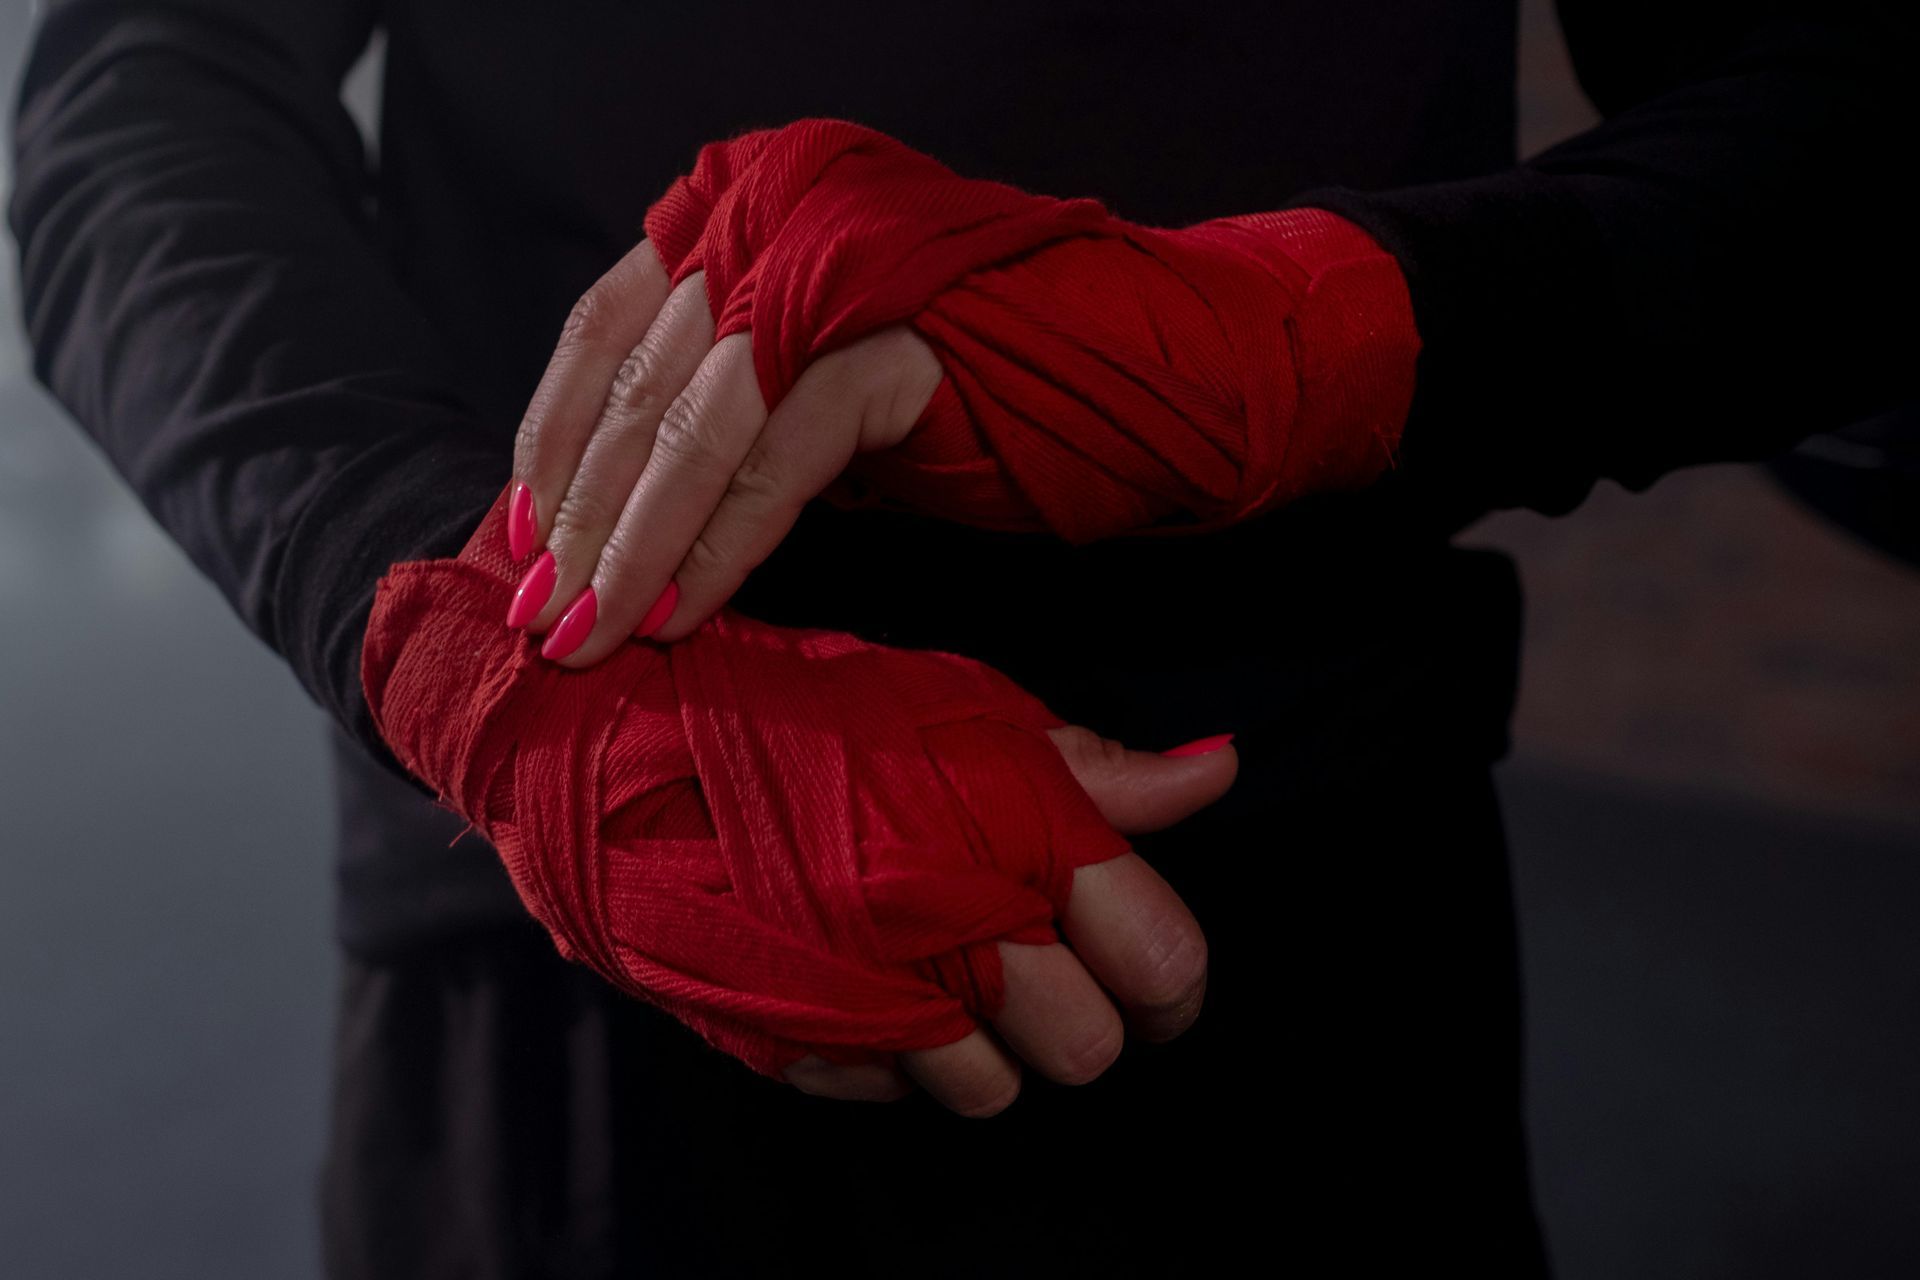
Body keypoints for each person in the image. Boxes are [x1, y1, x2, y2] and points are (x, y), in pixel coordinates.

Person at [10, 1, 1913, 1274]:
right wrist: (457, 647)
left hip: (1296, 918)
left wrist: (1301, 338)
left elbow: (1836, 126)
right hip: (583, 872)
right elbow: (136, 100)